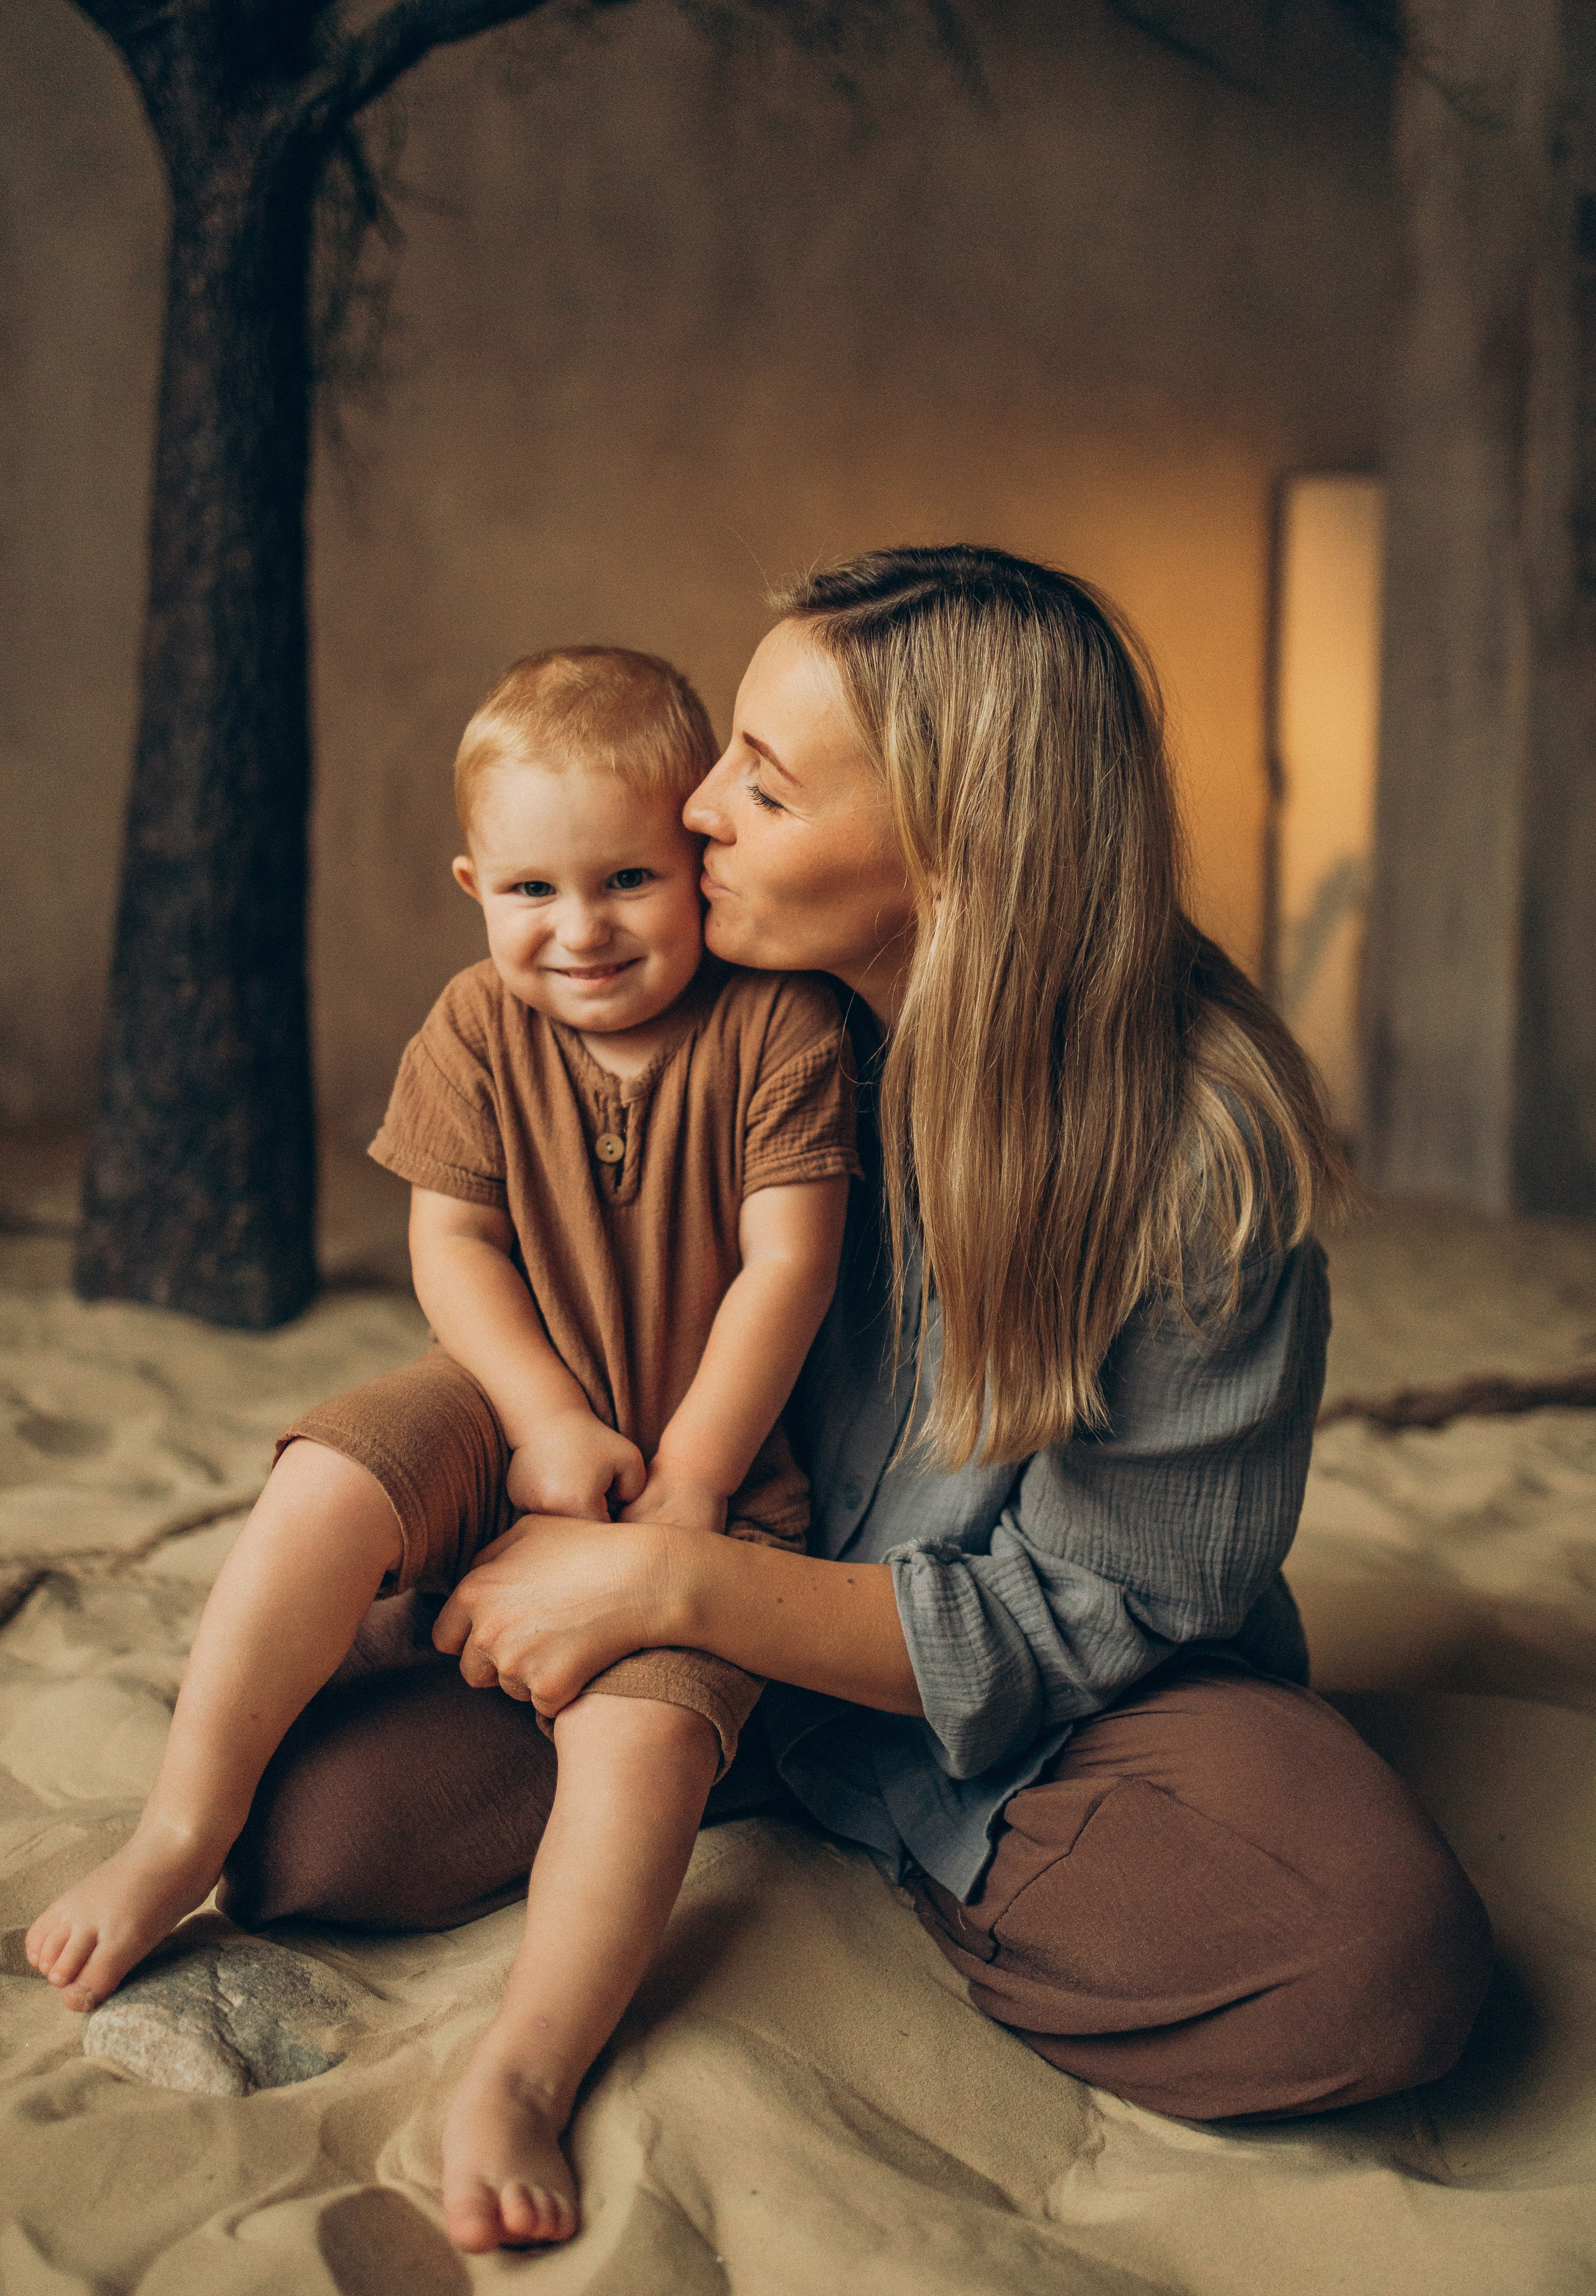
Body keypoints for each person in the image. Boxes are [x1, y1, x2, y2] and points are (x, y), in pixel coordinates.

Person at [111, 549, 1489, 2179]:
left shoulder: (1197, 1152)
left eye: (759, 788)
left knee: (1372, 1975)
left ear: (952, 855)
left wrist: (659, 1590)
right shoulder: (731, 986)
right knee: (311, 1837)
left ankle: (860, 1792)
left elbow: (1097, 1619)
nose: (690, 814)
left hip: (1028, 1699)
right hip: (720, 1542)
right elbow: (524, 1227)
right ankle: (748, 1748)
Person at [26, 646, 857, 2253]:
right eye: (533, 888)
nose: (583, 926)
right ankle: (177, 1831)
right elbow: (456, 1247)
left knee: (647, 1736)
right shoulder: (478, 1025)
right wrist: (543, 1416)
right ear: (474, 885)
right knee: (324, 1474)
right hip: (504, 1400)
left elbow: (789, 1266)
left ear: (699, 858)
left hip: (717, 1463)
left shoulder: (779, 1029)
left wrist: (684, 1498)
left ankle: (525, 2072)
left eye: (628, 877)